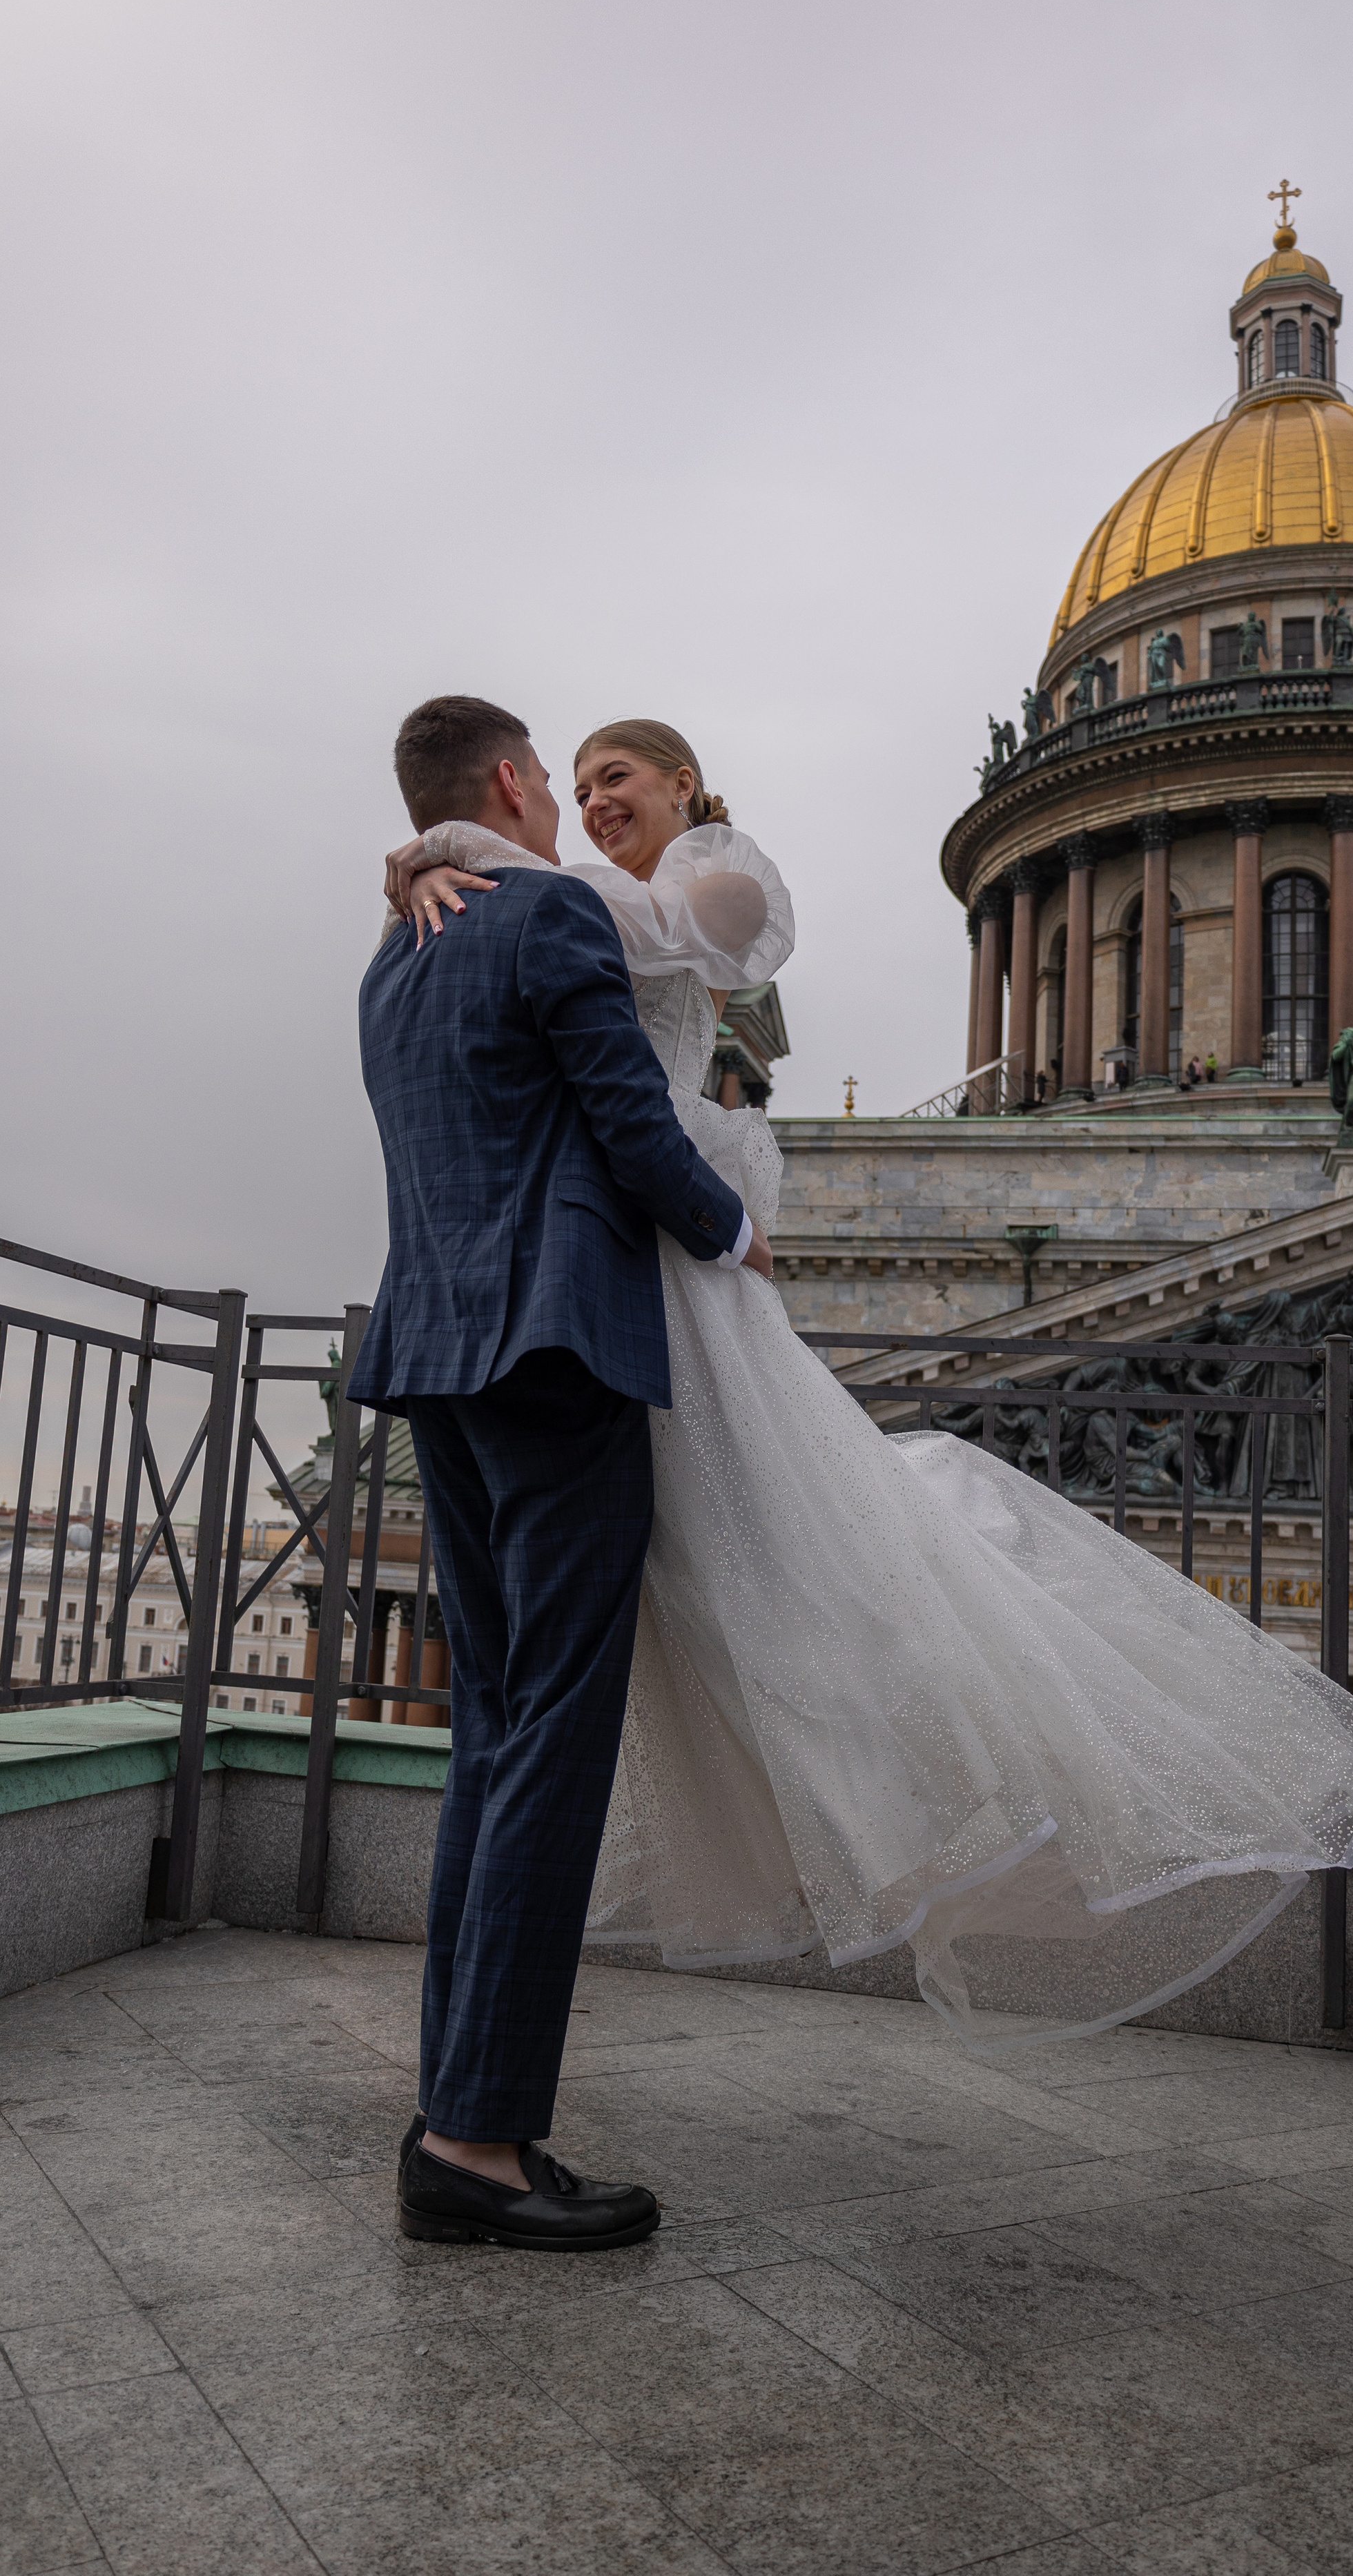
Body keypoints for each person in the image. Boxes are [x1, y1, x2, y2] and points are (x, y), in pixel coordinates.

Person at [388, 716, 1353, 2060]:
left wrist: (438, 854)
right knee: (677, 1612)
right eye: (573, 788)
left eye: (614, 779)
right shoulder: (565, 904)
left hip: (624, 1285)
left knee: (736, 1593)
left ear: (686, 785)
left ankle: (489, 2088)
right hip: (603, 1301)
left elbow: (644, 963)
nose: (588, 804)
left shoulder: (699, 890)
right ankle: (490, 2085)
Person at [349, 694, 772, 2253]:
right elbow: (624, 1129)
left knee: (490, 1735)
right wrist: (731, 1228)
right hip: (559, 1356)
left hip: (433, 1360)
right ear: (517, 783)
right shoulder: (538, 918)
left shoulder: (393, 957)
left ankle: (452, 2110)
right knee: (551, 1747)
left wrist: (407, 866)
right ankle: (473, 2138)